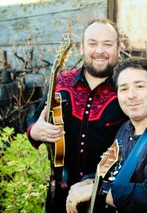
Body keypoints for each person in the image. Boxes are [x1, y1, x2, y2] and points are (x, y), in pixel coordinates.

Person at [65, 58, 147, 213]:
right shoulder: (125, 129)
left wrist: (98, 190)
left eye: (140, 86)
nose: (131, 95)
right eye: (123, 89)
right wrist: (87, 182)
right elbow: (112, 176)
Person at [26, 18, 128, 213]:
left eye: (107, 44)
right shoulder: (61, 81)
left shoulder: (126, 88)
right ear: (82, 48)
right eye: (92, 43)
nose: (99, 50)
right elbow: (34, 118)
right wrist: (35, 130)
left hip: (104, 199)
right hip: (59, 195)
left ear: (118, 48)